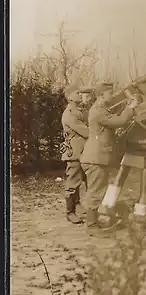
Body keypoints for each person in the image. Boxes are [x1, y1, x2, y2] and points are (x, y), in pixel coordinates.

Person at [80, 82, 138, 233]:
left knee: (96, 190)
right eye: (109, 93)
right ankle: (91, 226)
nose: (112, 96)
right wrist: (131, 107)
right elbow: (118, 121)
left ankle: (93, 223)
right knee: (95, 191)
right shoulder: (99, 110)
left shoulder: (102, 109)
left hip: (97, 157)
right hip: (96, 158)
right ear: (100, 96)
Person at [61, 84, 93, 224]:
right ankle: (70, 212)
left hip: (84, 152)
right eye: (77, 93)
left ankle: (78, 205)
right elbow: (87, 132)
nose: (80, 95)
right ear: (70, 97)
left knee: (86, 180)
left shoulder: (81, 110)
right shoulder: (70, 114)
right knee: (73, 182)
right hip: (74, 153)